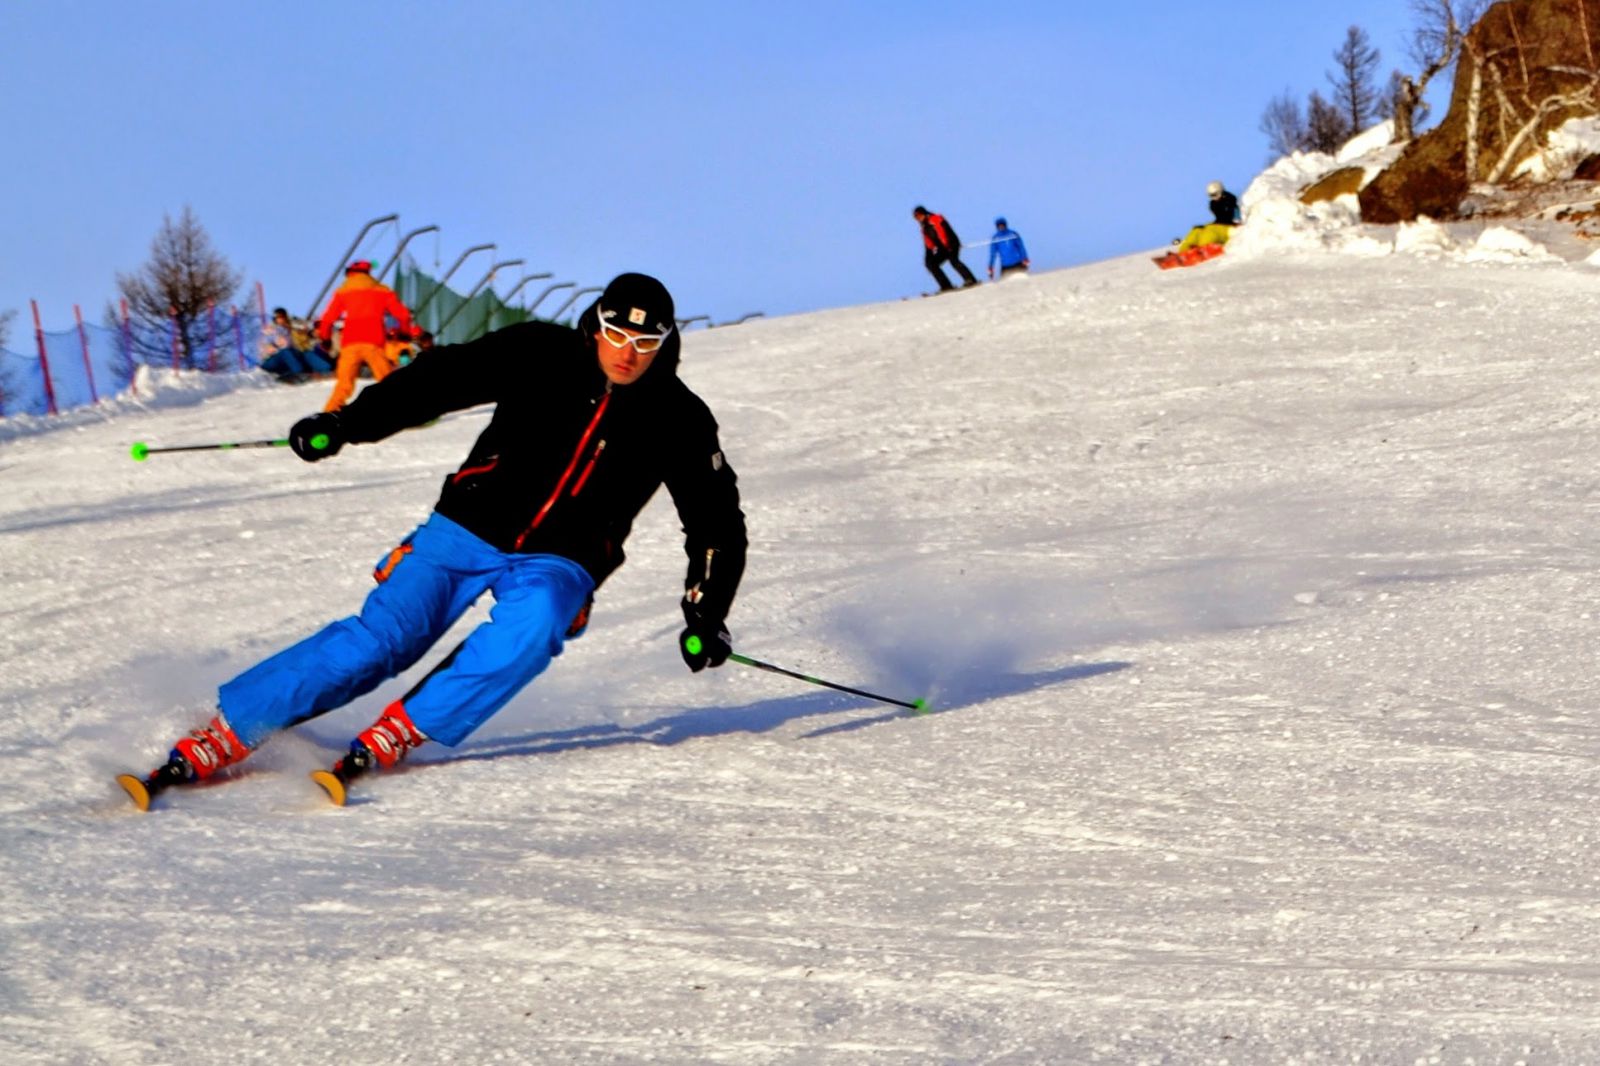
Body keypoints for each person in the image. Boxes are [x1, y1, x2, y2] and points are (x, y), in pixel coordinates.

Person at [124, 273, 748, 804]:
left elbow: (716, 520)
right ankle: (227, 731)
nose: (628, 352)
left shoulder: (679, 417)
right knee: (381, 642)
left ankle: (404, 729)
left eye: (645, 341)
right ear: (596, 323)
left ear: (665, 341)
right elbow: (439, 379)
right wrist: (347, 423)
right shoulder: (542, 351)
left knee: (538, 622)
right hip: (468, 527)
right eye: (618, 333)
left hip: (561, 558)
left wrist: (705, 613)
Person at [315, 260, 415, 411]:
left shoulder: (342, 291)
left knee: (344, 384)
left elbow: (328, 319)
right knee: (387, 381)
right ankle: (405, 411)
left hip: (350, 343)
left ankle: (328, 417)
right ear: (367, 272)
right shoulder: (382, 290)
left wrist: (325, 338)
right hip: (374, 341)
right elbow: (403, 315)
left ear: (350, 273)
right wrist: (405, 333)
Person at [912, 205, 980, 291]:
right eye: (915, 217)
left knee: (953, 260)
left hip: (951, 243)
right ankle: (946, 286)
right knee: (932, 264)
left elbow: (942, 233)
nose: (917, 219)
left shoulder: (935, 218)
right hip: (942, 248)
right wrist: (928, 258)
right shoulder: (924, 228)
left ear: (924, 213)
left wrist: (947, 245)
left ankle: (971, 280)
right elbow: (928, 243)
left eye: (918, 216)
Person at [259, 307, 334, 381]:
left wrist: (300, 332)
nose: (281, 320)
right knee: (286, 352)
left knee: (306, 353)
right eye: (278, 317)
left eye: (283, 317)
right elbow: (274, 347)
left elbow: (305, 333)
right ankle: (299, 373)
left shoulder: (290, 329)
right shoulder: (272, 330)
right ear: (275, 319)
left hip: (289, 360)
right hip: (273, 361)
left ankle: (326, 369)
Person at [1174, 181, 1242, 254]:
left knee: (1210, 233)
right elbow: (1219, 219)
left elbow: (1236, 216)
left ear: (1221, 191)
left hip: (1230, 228)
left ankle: (1203, 250)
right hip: (1219, 225)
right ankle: (1183, 252)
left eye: (1215, 194)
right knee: (1197, 230)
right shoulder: (1213, 204)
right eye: (1211, 195)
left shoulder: (1231, 200)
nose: (1213, 197)